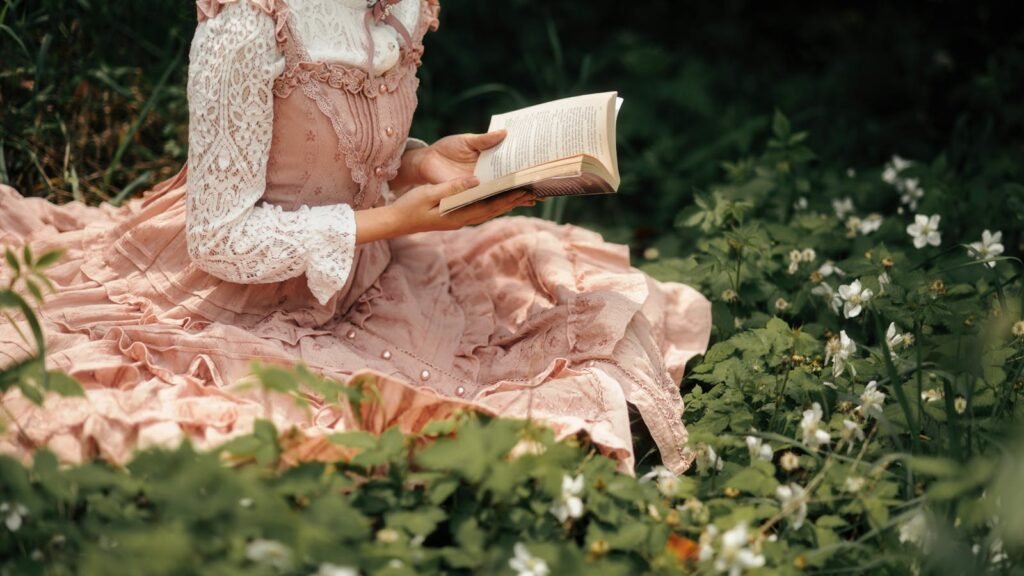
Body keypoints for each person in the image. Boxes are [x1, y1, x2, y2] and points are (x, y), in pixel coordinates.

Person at [0, 0, 711, 474]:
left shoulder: (394, 9)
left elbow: (341, 158)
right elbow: (218, 238)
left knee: (569, 298)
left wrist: (420, 161)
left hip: (367, 270)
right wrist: (400, 219)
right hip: (230, 294)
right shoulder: (248, 28)